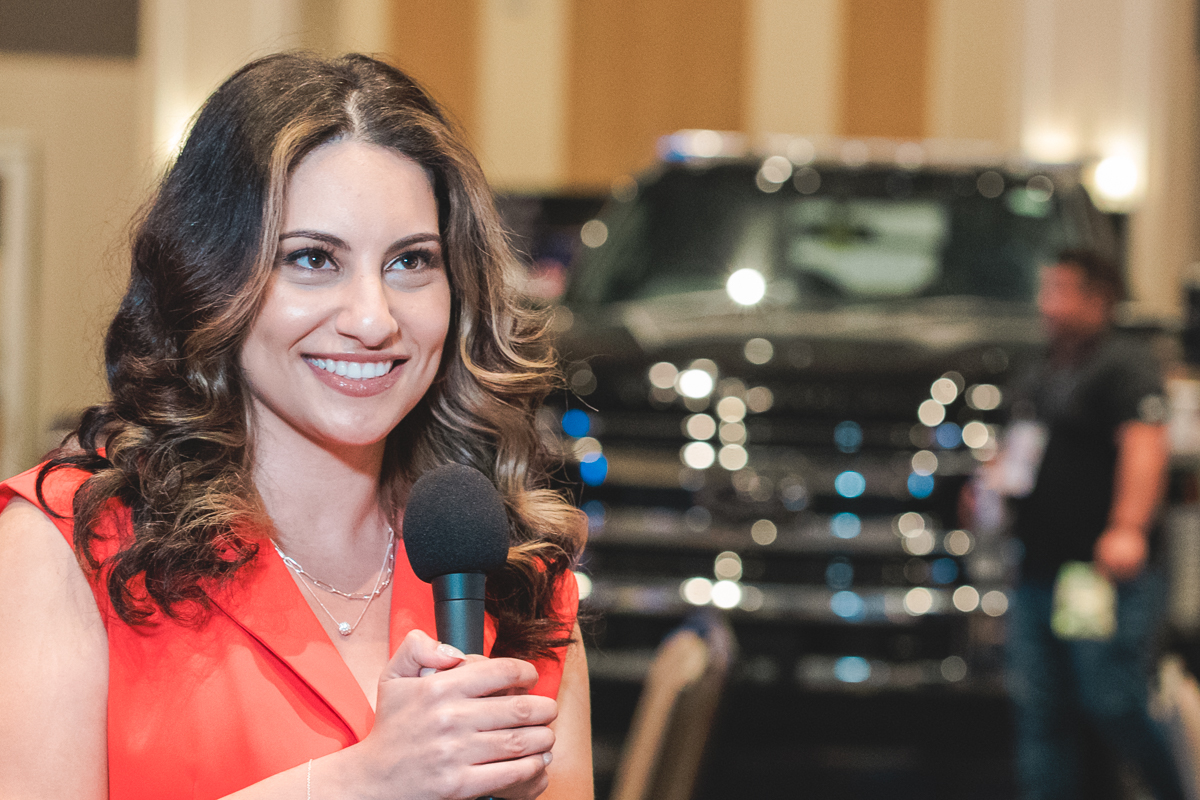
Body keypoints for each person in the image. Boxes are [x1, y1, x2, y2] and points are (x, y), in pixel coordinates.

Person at [0, 52, 592, 800]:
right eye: (313, 258)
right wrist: (362, 782)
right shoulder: (68, 550)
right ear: (212, 277)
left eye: (411, 261)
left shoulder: (519, 579)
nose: (373, 320)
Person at [970, 248, 1184, 799]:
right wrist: (987, 494)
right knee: (1042, 706)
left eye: (1061, 291)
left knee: (1111, 700)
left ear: (1099, 299)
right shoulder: (1042, 371)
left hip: (1094, 575)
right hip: (1039, 569)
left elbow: (1144, 446)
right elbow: (1020, 452)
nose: (1048, 304)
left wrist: (1127, 528)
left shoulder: (1123, 366)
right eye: (1046, 290)